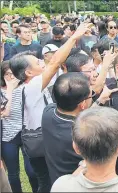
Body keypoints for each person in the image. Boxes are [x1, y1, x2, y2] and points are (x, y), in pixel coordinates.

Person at [9, 23, 89, 192]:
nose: (42, 61)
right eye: (37, 61)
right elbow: (55, 62)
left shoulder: (27, 87)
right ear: (28, 73)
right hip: (42, 145)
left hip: (38, 144)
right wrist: (74, 37)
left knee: (46, 180)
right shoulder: (30, 87)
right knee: (47, 183)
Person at [42, 73, 92, 185]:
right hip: (77, 185)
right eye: (91, 95)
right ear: (82, 104)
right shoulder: (82, 134)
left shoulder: (48, 112)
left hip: (56, 181)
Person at [0, 61, 38, 193]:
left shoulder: (24, 88)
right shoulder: (1, 92)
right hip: (8, 136)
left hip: (26, 133)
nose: (11, 77)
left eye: (13, 74)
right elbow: (5, 112)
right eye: (7, 74)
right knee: (13, 173)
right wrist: (9, 89)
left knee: (32, 170)